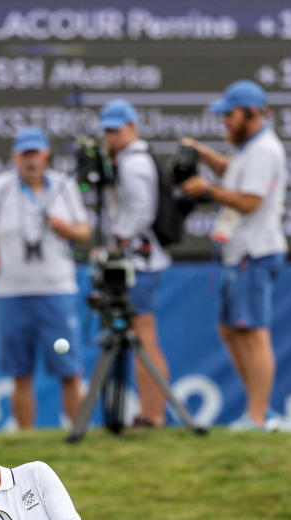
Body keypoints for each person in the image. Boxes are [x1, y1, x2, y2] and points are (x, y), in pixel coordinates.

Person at [178, 80, 287, 431]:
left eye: (230, 114)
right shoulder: (249, 148)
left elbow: (250, 201)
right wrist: (206, 155)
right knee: (230, 329)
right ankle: (258, 412)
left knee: (253, 333)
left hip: (254, 253)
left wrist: (207, 189)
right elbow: (235, 174)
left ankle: (259, 416)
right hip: (238, 253)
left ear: (251, 114)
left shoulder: (265, 150)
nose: (224, 120)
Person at [0, 127, 92, 429]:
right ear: (15, 157)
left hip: (57, 291)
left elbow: (85, 230)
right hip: (12, 293)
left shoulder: (64, 186)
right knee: (19, 373)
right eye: (25, 154)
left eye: (35, 153)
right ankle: (27, 438)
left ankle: (77, 435)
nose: (31, 160)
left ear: (46, 154)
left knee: (70, 369)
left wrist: (68, 229)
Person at [99, 99, 174, 428]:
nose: (111, 136)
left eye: (117, 129)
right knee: (140, 334)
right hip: (136, 260)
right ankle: (149, 413)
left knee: (143, 336)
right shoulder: (127, 161)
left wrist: (116, 240)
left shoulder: (134, 163)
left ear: (132, 127)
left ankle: (153, 415)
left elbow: (143, 211)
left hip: (139, 263)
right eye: (108, 130)